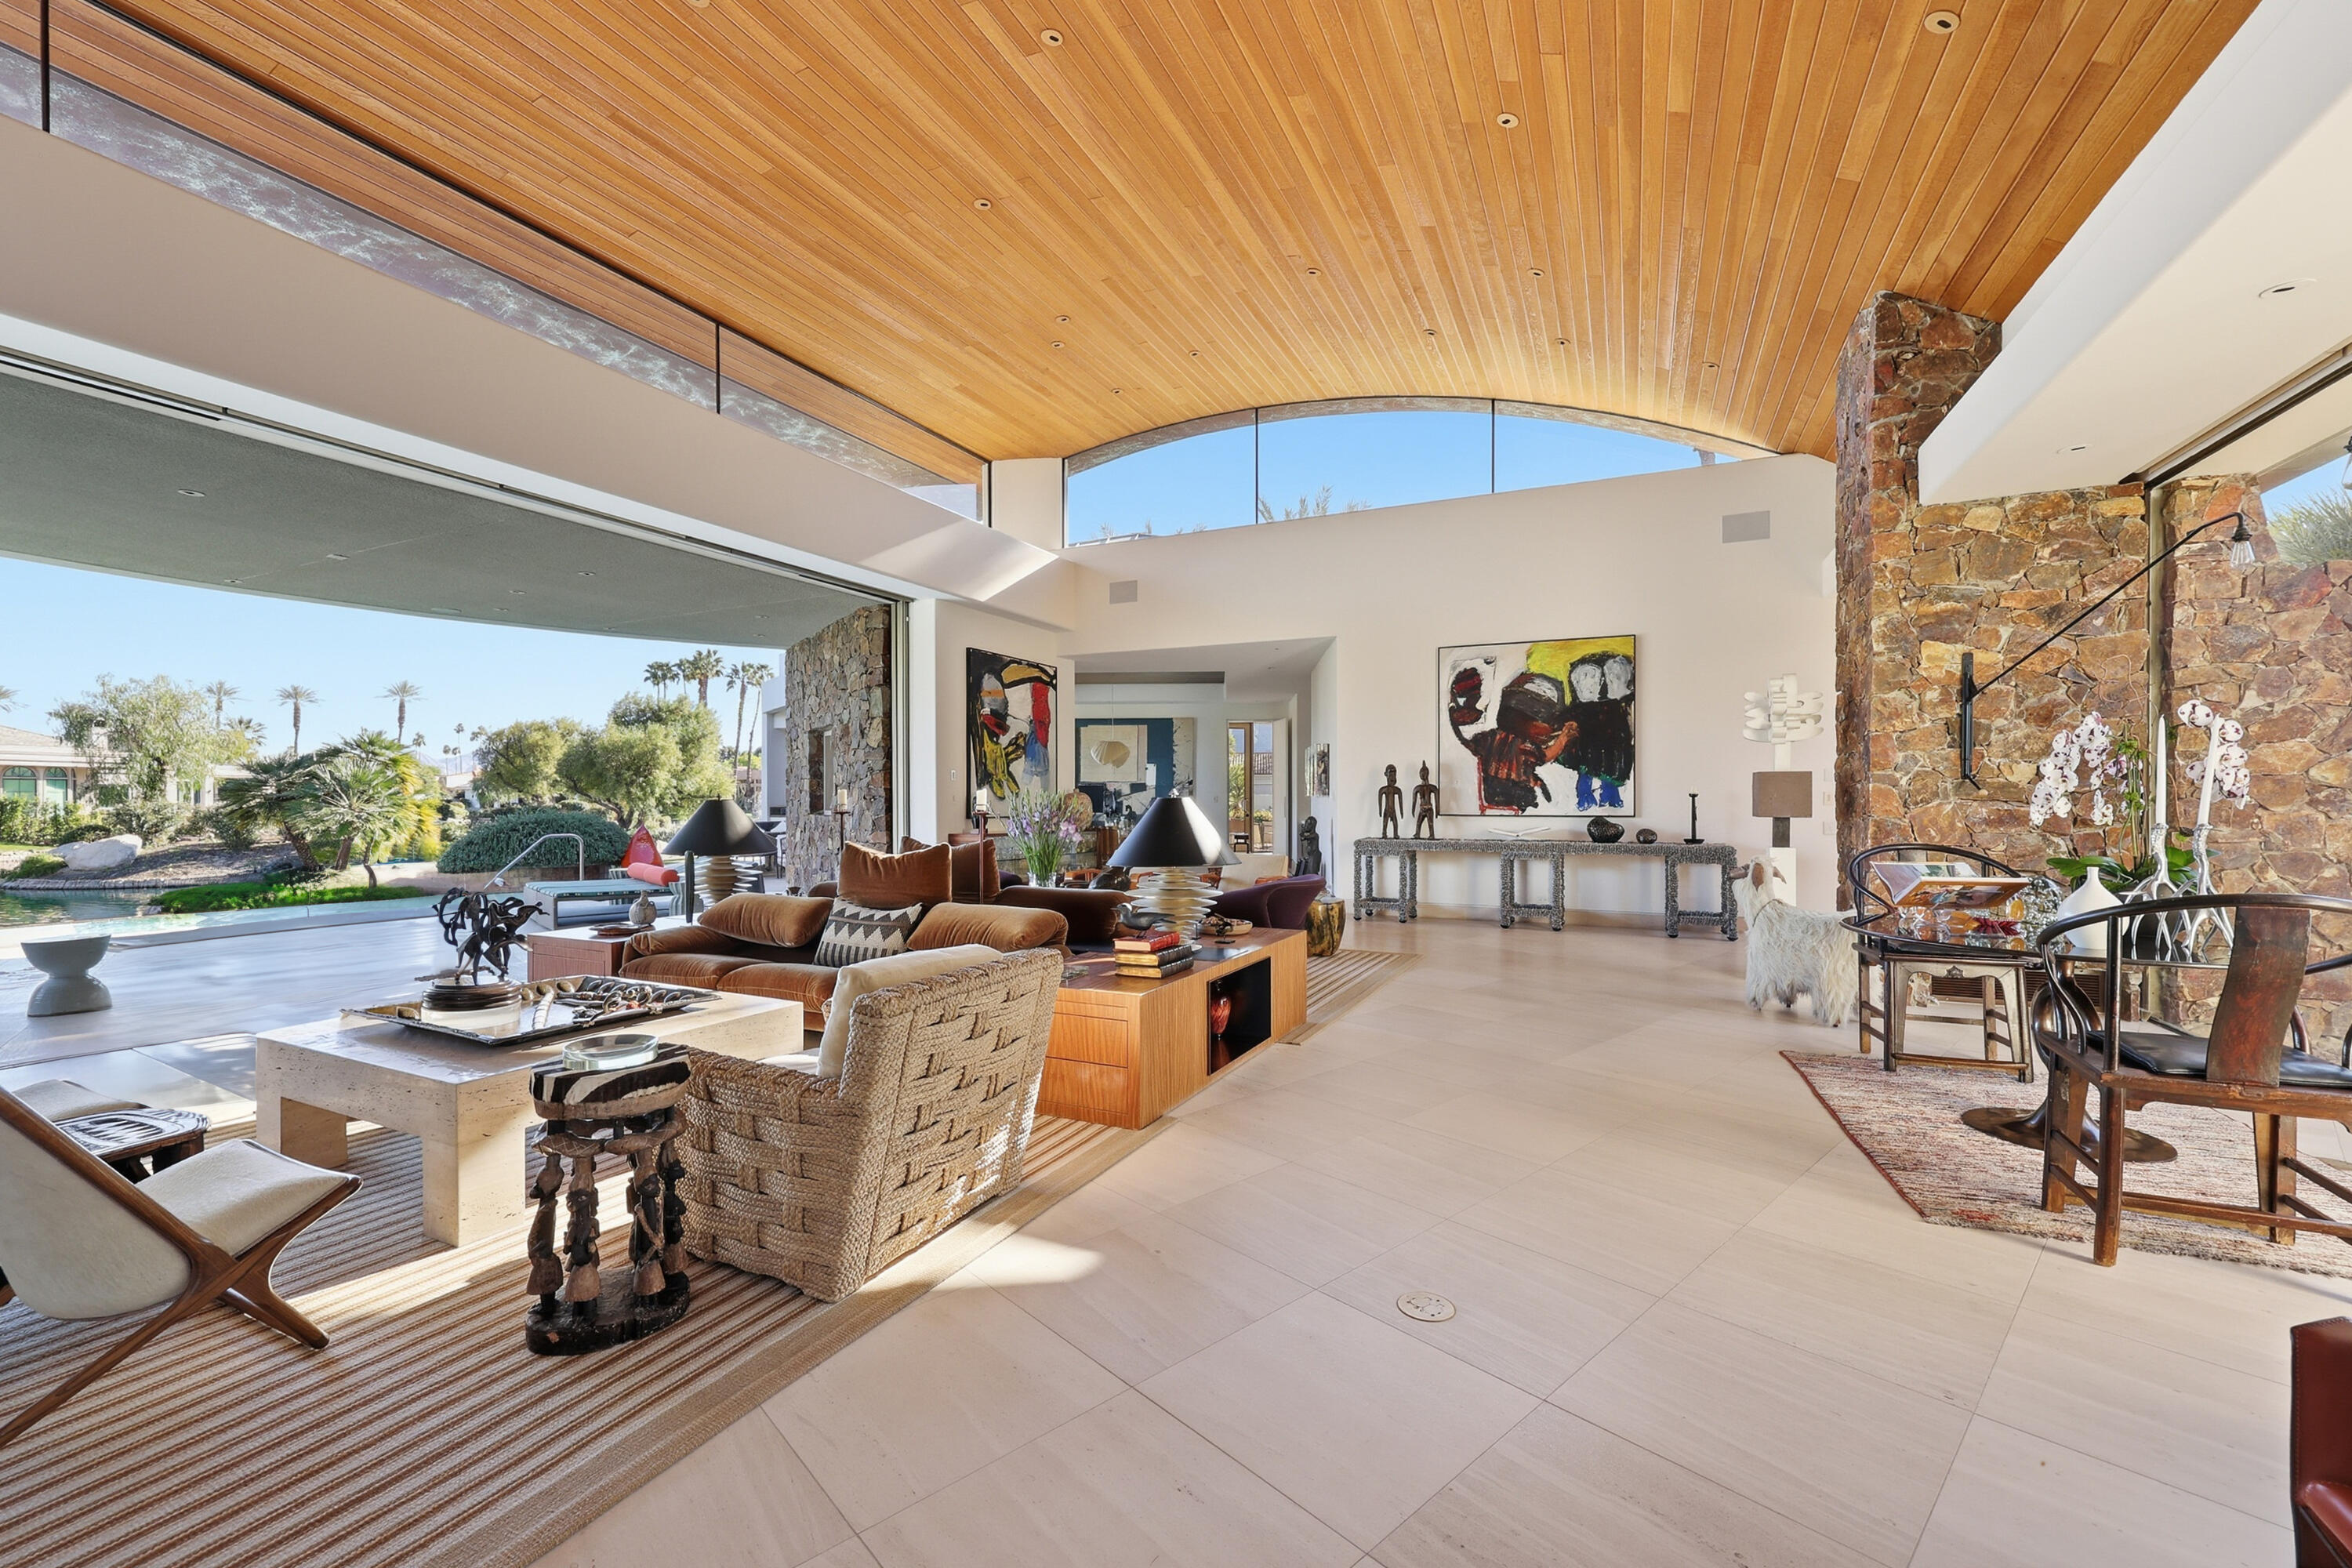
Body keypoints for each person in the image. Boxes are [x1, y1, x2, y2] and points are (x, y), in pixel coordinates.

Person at [1410, 761, 1439, 838]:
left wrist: (1437, 811)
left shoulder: (1432, 788)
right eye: (1422, 773)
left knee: (1430, 823)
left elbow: (1437, 801)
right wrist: (1413, 810)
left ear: (1428, 774)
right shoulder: (1418, 788)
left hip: (1429, 808)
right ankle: (1417, 834)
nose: (1423, 774)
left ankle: (1431, 835)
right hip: (1422, 809)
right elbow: (1414, 801)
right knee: (1419, 823)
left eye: (1425, 773)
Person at [1376, 764, 1404, 837]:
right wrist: (1380, 811)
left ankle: (1395, 835)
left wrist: (1401, 812)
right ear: (1386, 775)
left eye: (1394, 775)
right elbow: (1380, 802)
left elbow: (1401, 802)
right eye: (1391, 775)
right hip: (1387, 810)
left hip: (1393, 811)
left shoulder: (1397, 790)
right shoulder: (1383, 790)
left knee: (1395, 824)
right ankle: (1384, 833)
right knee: (1385, 824)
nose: (1393, 777)